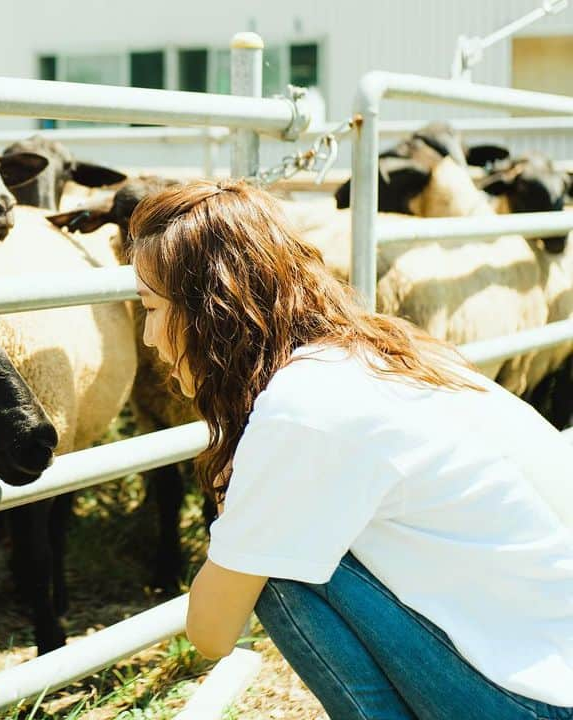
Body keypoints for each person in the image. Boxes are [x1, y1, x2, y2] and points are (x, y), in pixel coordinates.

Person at [129, 179, 573, 720]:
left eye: (152, 308)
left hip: (539, 703)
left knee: (266, 565)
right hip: (552, 664)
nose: (150, 338)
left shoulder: (303, 405)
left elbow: (212, 632)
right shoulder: (388, 351)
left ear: (211, 311)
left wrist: (238, 504)